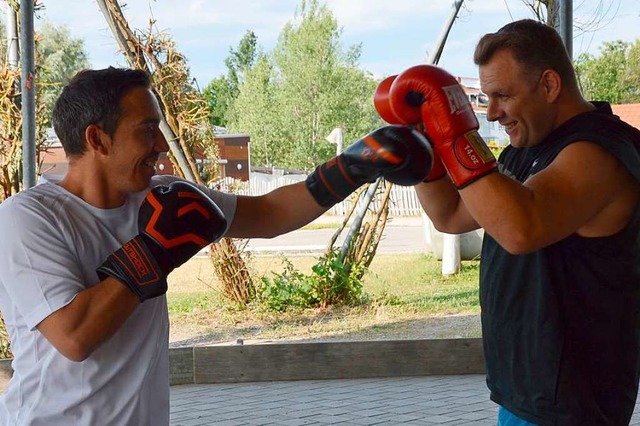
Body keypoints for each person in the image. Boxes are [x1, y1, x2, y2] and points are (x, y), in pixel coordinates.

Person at [0, 67, 433, 425]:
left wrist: (353, 166)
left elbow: (268, 214)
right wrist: (153, 250)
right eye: (147, 131)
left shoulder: (161, 196)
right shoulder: (30, 217)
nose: (160, 146)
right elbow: (74, 337)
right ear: (98, 140)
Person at [378, 19, 640, 425]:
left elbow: (522, 229)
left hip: (574, 403)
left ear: (550, 85)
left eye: (502, 96)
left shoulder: (600, 151)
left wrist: (454, 137)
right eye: (486, 98)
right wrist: (423, 152)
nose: (493, 113)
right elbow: (451, 215)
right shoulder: (526, 148)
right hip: (526, 392)